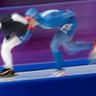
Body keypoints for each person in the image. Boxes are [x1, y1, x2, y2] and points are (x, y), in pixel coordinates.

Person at [24, 8, 95, 77]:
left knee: (54, 45)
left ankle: (60, 70)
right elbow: (27, 36)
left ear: (35, 17)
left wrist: (69, 12)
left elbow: (71, 14)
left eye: (29, 20)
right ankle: (93, 45)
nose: (28, 22)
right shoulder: (35, 22)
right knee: (71, 47)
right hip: (63, 25)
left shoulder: (48, 20)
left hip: (70, 23)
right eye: (27, 20)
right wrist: (19, 41)